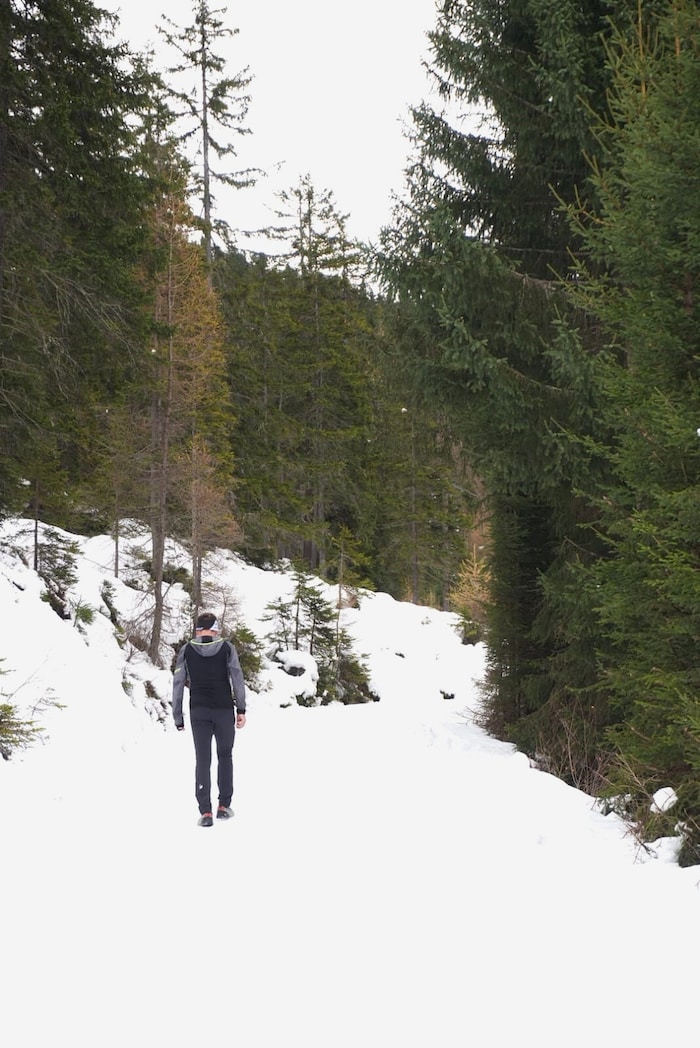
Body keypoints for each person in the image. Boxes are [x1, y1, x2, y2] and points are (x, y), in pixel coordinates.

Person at [172, 611, 246, 827]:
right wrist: (241, 708)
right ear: (215, 629)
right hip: (223, 710)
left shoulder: (186, 650)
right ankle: (223, 806)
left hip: (199, 711)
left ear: (197, 629)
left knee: (202, 760)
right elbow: (237, 678)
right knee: (225, 756)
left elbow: (178, 683)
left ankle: (205, 812)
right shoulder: (227, 648)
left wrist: (178, 716)